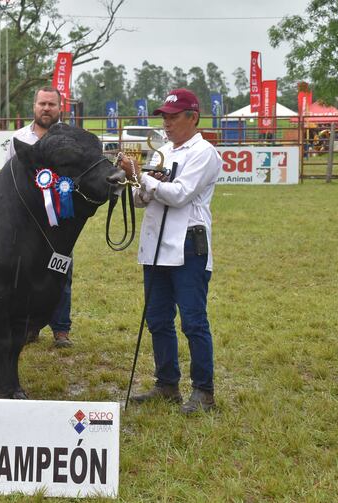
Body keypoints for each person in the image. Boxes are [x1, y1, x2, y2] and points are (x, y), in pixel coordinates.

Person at [120, 88, 221, 415]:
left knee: (192, 320)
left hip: (189, 244)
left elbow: (179, 195)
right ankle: (167, 384)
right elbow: (141, 199)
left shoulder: (204, 152)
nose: (167, 123)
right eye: (164, 116)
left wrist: (143, 179)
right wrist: (136, 182)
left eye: (173, 117)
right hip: (156, 244)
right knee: (158, 318)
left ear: (193, 118)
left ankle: (204, 391)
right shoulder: (162, 150)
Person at [4, 85, 73, 348]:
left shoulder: (70, 137)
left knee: (60, 272)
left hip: (60, 220)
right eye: (42, 104)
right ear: (34, 106)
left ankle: (61, 329)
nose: (46, 108)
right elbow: (10, 177)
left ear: (60, 108)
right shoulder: (18, 139)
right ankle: (29, 326)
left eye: (51, 104)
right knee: (25, 274)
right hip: (26, 220)